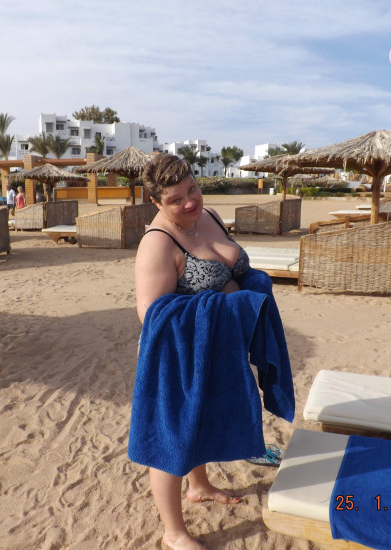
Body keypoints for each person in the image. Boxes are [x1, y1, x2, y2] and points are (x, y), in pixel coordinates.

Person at [130, 154, 293, 549]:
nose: (189, 202)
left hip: (216, 349)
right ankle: (173, 533)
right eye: (175, 200)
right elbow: (151, 315)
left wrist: (250, 289)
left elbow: (233, 271)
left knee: (199, 421)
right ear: (156, 203)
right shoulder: (157, 243)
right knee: (171, 440)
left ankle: (199, 486)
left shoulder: (211, 216)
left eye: (192, 189)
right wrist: (225, 304)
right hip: (177, 357)